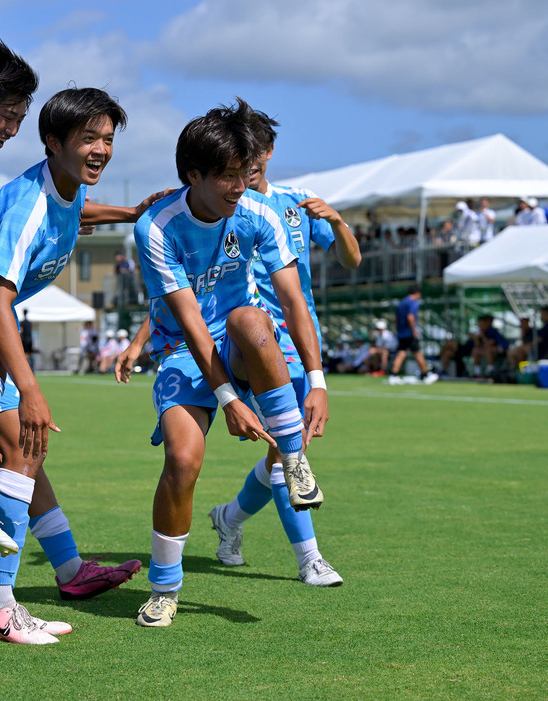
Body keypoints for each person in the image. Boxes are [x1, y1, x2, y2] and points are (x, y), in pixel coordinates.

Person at [0, 37, 145, 609]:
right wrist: (29, 387)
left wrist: (129, 211)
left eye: (107, 139)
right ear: (54, 143)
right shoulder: (26, 201)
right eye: (88, 139)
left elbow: (72, 209)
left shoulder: (63, 188)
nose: (100, 149)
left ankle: (59, 571)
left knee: (21, 449)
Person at [123, 99, 328, 628]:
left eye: (244, 174)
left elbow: (293, 302)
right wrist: (228, 399)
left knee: (252, 319)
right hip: (183, 353)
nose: (240, 187)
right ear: (193, 175)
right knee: (183, 461)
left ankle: (292, 458)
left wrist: (319, 381)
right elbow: (190, 323)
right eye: (228, 177)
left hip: (245, 341)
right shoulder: (157, 227)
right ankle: (165, 589)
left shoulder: (259, 213)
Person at [196, 108, 360, 588]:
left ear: (266, 153)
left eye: (253, 156)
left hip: (300, 337)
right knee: (291, 450)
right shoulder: (231, 208)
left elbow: (352, 260)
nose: (244, 168)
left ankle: (229, 518)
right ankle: (309, 558)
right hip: (253, 341)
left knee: (283, 453)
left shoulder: (296, 205)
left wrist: (339, 220)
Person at [389, 284, 438, 385]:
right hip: (409, 333)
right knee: (418, 353)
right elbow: (410, 317)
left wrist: (397, 329)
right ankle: (426, 375)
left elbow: (395, 318)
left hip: (401, 332)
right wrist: (414, 331)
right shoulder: (413, 302)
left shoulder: (401, 302)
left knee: (401, 353)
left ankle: (393, 375)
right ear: (418, 293)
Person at [439, 314, 509, 378]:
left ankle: (489, 372)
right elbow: (475, 344)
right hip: (468, 348)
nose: (480, 325)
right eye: (479, 323)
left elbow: (488, 344)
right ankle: (441, 369)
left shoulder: (492, 331)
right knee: (448, 350)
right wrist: (474, 337)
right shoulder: (478, 331)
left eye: (482, 323)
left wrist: (480, 337)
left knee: (481, 351)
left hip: (472, 350)